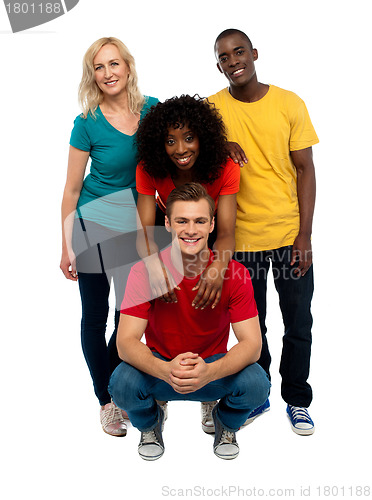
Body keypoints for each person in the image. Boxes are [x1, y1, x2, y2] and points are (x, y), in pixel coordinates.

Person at [207, 29, 319, 435]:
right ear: (217, 64)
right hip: (240, 242)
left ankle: (298, 399)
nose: (233, 60)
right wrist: (220, 145)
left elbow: (305, 170)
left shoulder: (289, 103)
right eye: (224, 56)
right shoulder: (212, 109)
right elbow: (191, 153)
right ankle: (260, 393)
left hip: (288, 238)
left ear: (254, 53)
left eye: (239, 51)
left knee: (298, 324)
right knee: (252, 328)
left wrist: (304, 235)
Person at [109, 183, 270, 460]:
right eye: (182, 221)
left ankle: (225, 422)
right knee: (121, 383)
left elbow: (253, 345)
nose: (191, 230)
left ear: (212, 225)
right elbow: (125, 343)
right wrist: (165, 369)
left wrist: (210, 372)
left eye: (199, 221)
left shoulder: (235, 273)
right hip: (161, 368)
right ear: (168, 223)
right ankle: (150, 423)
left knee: (258, 384)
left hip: (212, 370)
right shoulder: (142, 271)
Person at [60, 36, 158, 437]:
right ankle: (107, 401)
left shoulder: (151, 110)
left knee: (130, 315)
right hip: (95, 222)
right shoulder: (87, 123)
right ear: (93, 75)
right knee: (95, 316)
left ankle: (120, 386)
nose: (108, 73)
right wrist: (65, 244)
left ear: (128, 67)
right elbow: (70, 189)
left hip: (137, 225)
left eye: (114, 64)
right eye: (99, 67)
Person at [135, 95, 240, 311]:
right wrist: (153, 265)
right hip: (167, 222)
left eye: (189, 138)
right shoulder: (147, 168)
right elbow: (144, 233)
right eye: (171, 141)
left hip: (210, 223)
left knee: (216, 280)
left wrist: (219, 266)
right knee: (159, 280)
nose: (181, 149)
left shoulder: (227, 167)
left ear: (202, 137)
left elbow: (227, 233)